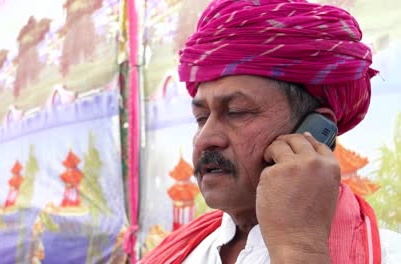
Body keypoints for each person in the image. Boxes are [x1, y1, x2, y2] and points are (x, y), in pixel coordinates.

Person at [141, 0, 399, 263]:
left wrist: (301, 250)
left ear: (312, 133)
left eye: (237, 112)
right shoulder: (178, 252)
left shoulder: (388, 254)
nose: (206, 139)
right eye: (201, 117)